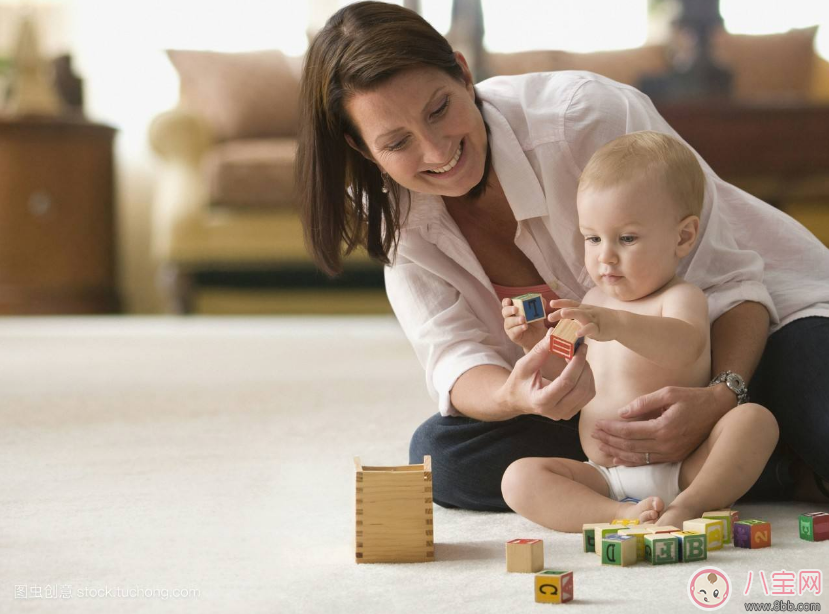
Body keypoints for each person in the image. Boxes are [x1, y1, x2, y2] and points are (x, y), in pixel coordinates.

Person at [296, 1, 829, 513]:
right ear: (364, 149)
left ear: (462, 73)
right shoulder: (395, 217)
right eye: (397, 142)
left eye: (440, 110)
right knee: (443, 455)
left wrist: (719, 397)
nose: (437, 151)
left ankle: (749, 449)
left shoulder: (582, 118)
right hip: (605, 412)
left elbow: (734, 281)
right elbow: (455, 359)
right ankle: (769, 469)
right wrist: (517, 394)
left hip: (754, 340)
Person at [498, 131, 779, 531]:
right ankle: (620, 515)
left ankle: (690, 505)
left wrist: (613, 323)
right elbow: (562, 371)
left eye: (626, 238)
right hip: (604, 475)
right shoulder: (593, 299)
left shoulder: (682, 296)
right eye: (592, 238)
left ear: (683, 237)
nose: (605, 256)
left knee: (754, 422)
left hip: (685, 467)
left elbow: (685, 346)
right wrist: (531, 341)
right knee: (518, 479)